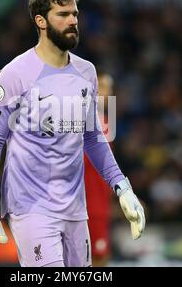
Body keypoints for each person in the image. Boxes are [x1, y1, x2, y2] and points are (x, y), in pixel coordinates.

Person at [0, 0, 145, 267]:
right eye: (63, 14)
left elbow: (93, 138)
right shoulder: (14, 75)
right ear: (41, 21)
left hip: (76, 208)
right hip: (31, 206)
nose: (73, 20)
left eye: (75, 14)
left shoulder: (86, 72)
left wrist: (122, 187)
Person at [84, 71, 115, 267]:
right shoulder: (83, 123)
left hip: (99, 207)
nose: (107, 92)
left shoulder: (105, 122)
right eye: (102, 86)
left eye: (109, 87)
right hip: (86, 208)